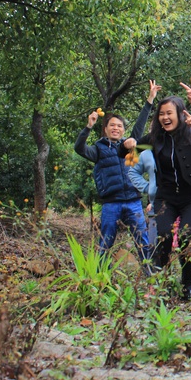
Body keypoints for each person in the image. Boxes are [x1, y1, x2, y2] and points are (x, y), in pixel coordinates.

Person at [125, 80, 191, 300]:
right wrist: (128, 146)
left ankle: (188, 285)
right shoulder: (155, 138)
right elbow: (128, 155)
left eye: (169, 113)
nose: (165, 117)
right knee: (163, 236)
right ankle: (160, 284)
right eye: (161, 114)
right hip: (166, 197)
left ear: (180, 114)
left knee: (186, 237)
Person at [74, 90, 155, 274]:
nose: (116, 128)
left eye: (119, 126)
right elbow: (79, 148)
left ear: (123, 130)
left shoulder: (130, 147)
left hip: (133, 200)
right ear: (106, 129)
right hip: (111, 203)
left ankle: (150, 276)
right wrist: (88, 127)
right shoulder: (98, 149)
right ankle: (101, 277)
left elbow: (139, 128)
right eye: (112, 125)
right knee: (106, 241)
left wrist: (149, 101)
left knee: (142, 240)